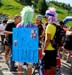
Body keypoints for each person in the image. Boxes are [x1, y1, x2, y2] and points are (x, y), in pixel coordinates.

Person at [42, 7, 58, 75]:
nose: (45, 18)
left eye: (46, 16)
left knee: (47, 67)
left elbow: (47, 40)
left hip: (48, 49)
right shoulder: (55, 25)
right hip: (54, 48)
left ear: (49, 17)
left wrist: (43, 50)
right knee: (53, 65)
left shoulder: (49, 26)